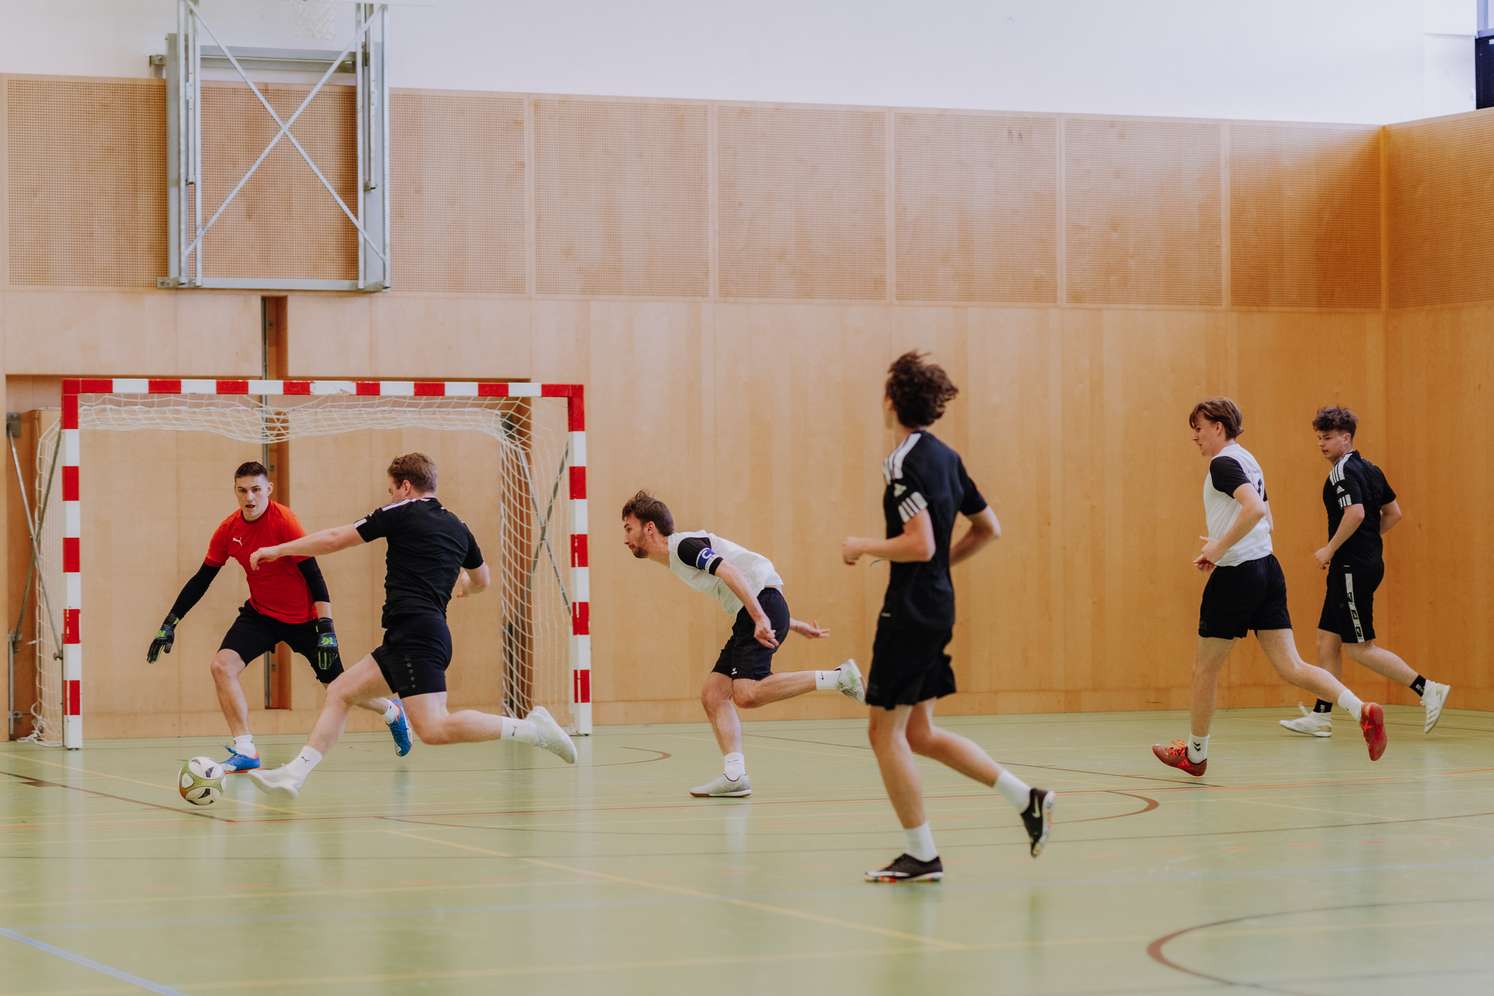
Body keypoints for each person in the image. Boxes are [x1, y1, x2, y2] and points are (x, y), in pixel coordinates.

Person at [245, 453, 575, 800]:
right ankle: (293, 775)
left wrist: (280, 549)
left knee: (434, 728)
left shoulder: (402, 510)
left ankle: (531, 729)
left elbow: (333, 538)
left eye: (391, 491)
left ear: (406, 487)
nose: (389, 498)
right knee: (341, 691)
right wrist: (461, 585)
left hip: (416, 634)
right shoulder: (459, 527)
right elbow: (483, 579)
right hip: (413, 633)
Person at [842, 351, 1054, 884]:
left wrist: (862, 545)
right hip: (938, 603)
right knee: (918, 731)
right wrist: (941, 564)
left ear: (892, 401)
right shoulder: (948, 458)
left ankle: (922, 855)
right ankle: (1027, 799)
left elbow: (919, 543)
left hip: (910, 608)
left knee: (882, 733)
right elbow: (989, 528)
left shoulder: (902, 462)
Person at [1153, 398, 1387, 778]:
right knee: (1292, 666)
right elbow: (1267, 516)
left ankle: (1195, 755)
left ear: (1218, 426)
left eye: (1198, 427)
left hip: (1237, 575)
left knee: (1204, 670)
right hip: (1267, 568)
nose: (1194, 435)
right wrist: (1228, 543)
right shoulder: (1249, 459)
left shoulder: (1222, 463)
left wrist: (1219, 547)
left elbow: (1255, 510)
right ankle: (1361, 710)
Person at [146, 461, 410, 771]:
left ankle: (391, 710)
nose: (250, 498)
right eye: (243, 491)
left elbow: (315, 577)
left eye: (256, 490)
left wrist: (326, 630)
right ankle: (246, 750)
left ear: (268, 489)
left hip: (306, 620)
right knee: (221, 666)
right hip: (261, 615)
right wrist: (170, 622)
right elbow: (202, 579)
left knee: (339, 688)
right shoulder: (228, 529)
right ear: (235, 491)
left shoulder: (284, 521)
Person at [621, 491, 864, 798]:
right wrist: (792, 623)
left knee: (747, 694)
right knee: (713, 694)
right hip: (756, 609)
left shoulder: (682, 547)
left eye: (629, 528)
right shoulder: (677, 555)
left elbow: (729, 570)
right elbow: (743, 579)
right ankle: (735, 775)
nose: (626, 538)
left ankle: (838, 678)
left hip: (758, 608)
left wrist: (761, 616)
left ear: (650, 528)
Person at [1279, 405, 1450, 737]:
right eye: (1319, 438)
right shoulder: (1371, 468)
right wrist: (1368, 543)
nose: (1321, 444)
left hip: (1350, 568)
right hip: (1360, 563)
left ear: (1346, 438)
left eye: (1327, 438)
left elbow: (1355, 513)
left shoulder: (1342, 473)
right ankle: (1321, 715)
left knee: (1360, 647)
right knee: (1326, 642)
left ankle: (1427, 689)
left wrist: (1332, 548)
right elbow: (1393, 513)